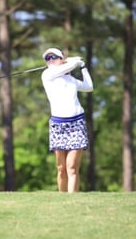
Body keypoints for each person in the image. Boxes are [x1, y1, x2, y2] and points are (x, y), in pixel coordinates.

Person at [41, 47, 93, 193]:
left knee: (72, 168)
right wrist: (74, 61)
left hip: (77, 123)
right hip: (58, 126)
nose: (50, 60)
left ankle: (72, 201)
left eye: (53, 57)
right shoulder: (47, 75)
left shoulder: (70, 80)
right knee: (61, 168)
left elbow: (89, 87)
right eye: (47, 59)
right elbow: (69, 66)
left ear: (61, 59)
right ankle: (62, 199)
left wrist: (83, 67)